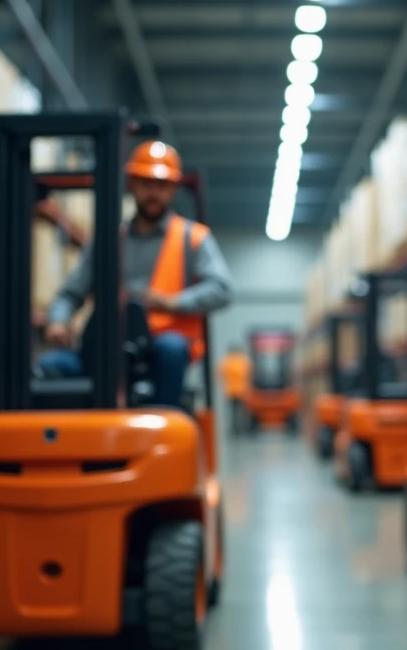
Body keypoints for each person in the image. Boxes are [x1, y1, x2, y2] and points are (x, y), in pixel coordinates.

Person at [41, 140, 235, 409]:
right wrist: (58, 321)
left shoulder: (193, 237)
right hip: (105, 346)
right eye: (145, 183)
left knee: (171, 349)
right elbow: (71, 292)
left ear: (173, 188)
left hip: (158, 349)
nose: (153, 192)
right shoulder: (107, 239)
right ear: (132, 184)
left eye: (161, 185)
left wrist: (172, 302)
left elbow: (222, 288)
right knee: (50, 368)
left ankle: (162, 432)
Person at [220, 343, 252, 434]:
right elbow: (250, 374)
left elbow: (221, 374)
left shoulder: (226, 360)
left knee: (232, 411)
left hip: (230, 391)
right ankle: (242, 428)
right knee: (243, 411)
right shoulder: (244, 360)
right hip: (243, 390)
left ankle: (234, 428)